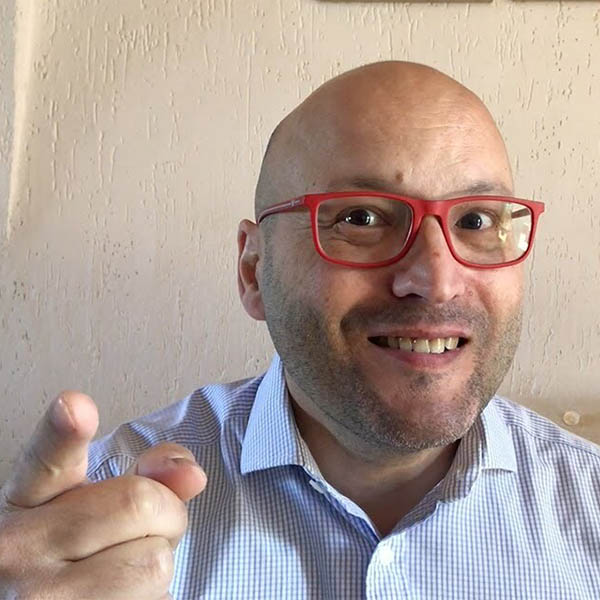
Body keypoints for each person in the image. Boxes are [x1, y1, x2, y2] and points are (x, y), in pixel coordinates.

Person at [1, 61, 598, 600]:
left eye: (476, 221)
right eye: (361, 218)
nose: (436, 281)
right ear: (253, 270)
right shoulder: (94, 527)